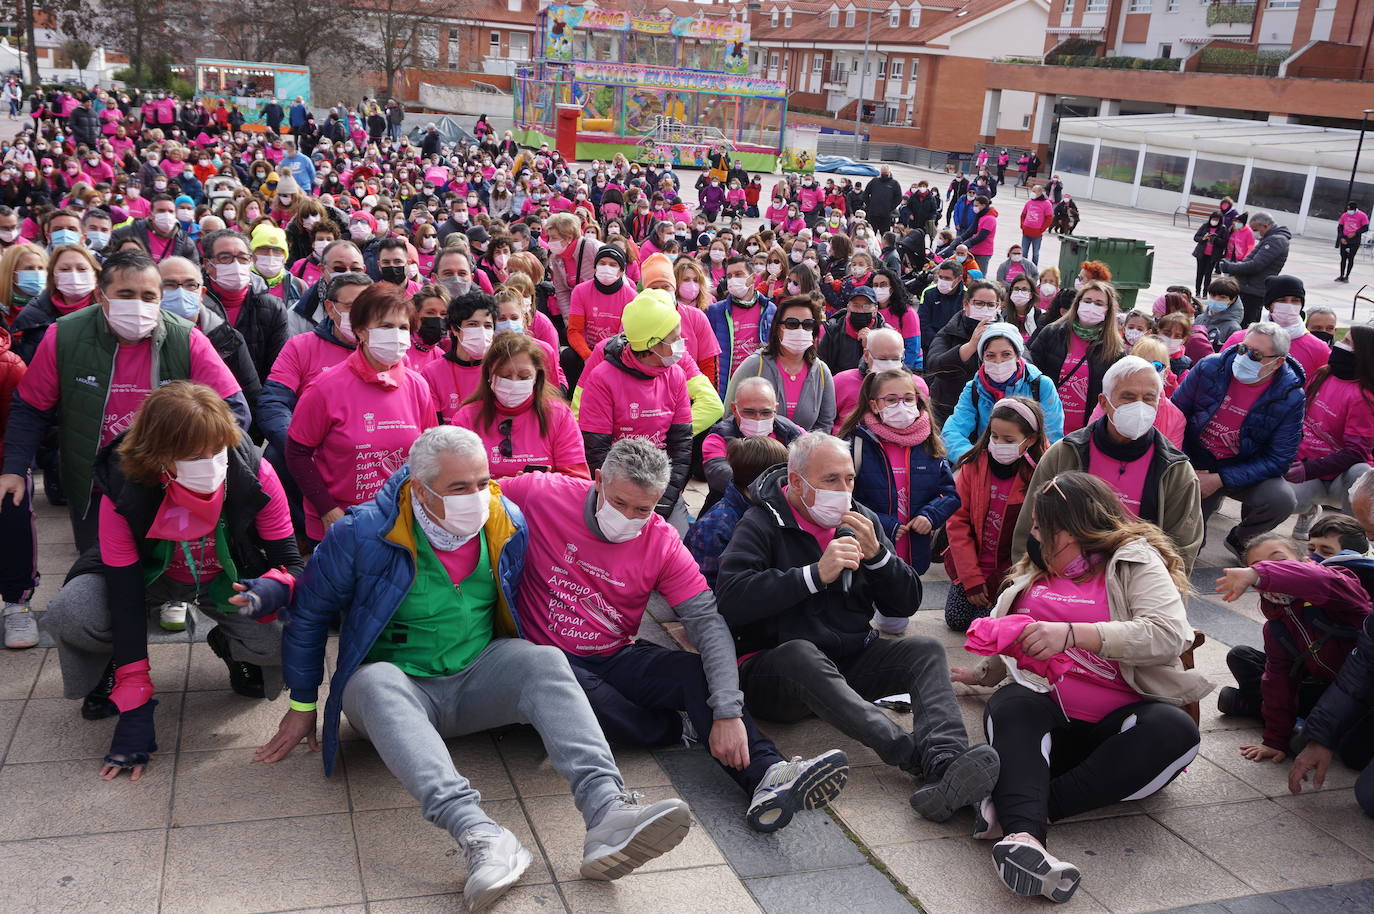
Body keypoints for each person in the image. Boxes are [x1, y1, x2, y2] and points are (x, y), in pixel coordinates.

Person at [260, 427, 692, 906]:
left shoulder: (505, 520)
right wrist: (302, 703)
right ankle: (481, 836)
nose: (477, 497)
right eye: (459, 487)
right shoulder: (361, 533)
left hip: (476, 677)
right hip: (399, 691)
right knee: (373, 682)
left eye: (483, 482)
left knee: (543, 661)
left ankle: (607, 811)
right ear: (420, 488)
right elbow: (311, 614)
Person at [499, 438, 850, 832]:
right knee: (584, 693)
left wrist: (728, 712)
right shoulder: (541, 492)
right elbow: (479, 493)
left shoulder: (661, 540)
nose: (629, 517)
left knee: (692, 673)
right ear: (598, 481)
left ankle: (768, 775)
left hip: (615, 652)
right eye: (619, 503)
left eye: (643, 509)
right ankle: (673, 727)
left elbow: (707, 622)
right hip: (545, 660)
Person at [717, 432, 1000, 822]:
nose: (844, 490)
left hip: (848, 659)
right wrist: (813, 575)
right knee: (801, 654)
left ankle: (946, 760)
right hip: (777, 672)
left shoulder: (861, 519)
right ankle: (914, 757)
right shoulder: (762, 521)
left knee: (926, 649)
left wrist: (880, 558)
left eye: (849, 479)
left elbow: (905, 604)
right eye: (831, 480)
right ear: (797, 482)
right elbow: (730, 598)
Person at [954, 472, 1210, 904]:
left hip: (1121, 731)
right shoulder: (1036, 568)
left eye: (1040, 525)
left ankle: (1015, 810)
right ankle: (1026, 838)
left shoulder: (1134, 560)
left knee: (1176, 731)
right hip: (1050, 722)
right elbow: (1015, 635)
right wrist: (983, 674)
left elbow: (1170, 634)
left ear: (1071, 530)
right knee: (1011, 703)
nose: (1032, 534)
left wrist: (1073, 633)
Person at [44, 382, 302, 779]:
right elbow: (124, 589)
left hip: (228, 582)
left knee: (286, 634)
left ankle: (232, 646)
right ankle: (111, 665)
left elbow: (292, 562)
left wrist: (276, 586)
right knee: (72, 613)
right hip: (149, 578)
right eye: (195, 456)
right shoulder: (124, 485)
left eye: (217, 450)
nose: (212, 463)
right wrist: (135, 693)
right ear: (159, 455)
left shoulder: (255, 471)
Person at [0, 250, 247, 553]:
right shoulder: (63, 336)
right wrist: (14, 468)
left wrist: (195, 459)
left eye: (148, 296)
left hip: (168, 482)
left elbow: (233, 411)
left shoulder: (187, 339)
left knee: (164, 573)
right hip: (94, 483)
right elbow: (30, 409)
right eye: (126, 294)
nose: (138, 305)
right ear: (101, 296)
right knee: (99, 570)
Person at [1014, 356, 1204, 572]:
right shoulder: (1064, 454)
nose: (1139, 406)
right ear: (1104, 402)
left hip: (1135, 592)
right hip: (1062, 588)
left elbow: (1182, 550)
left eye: (1149, 398)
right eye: (1128, 397)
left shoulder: (1176, 471)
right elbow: (1029, 530)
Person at [286, 283, 438, 543]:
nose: (397, 335)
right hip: (342, 523)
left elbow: (428, 451)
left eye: (403, 328)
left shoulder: (417, 386)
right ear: (361, 332)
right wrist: (326, 509)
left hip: (400, 521)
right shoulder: (325, 388)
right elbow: (297, 452)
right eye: (386, 326)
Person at [1214, 533, 1370, 764]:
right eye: (1256, 567)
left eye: (1279, 561)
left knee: (1354, 756)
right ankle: (1295, 724)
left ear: (1305, 562)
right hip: (1327, 688)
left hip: (1365, 690)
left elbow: (1318, 579)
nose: (1269, 570)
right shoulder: (1277, 623)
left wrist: (1260, 573)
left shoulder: (1337, 584)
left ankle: (1254, 707)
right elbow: (1280, 681)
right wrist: (1275, 741)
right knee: (1243, 658)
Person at [1172, 322, 1304, 557]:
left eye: (1256, 355)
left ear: (1278, 362)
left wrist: (1221, 479)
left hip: (1240, 469)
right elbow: (1174, 415)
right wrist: (1186, 465)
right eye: (1243, 349)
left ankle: (1242, 538)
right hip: (1196, 461)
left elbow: (1279, 458)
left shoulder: (1290, 395)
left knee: (1281, 499)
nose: (1244, 358)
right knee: (1184, 548)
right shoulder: (1211, 367)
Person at [577, 289, 693, 530]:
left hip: (661, 489)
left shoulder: (676, 376)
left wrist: (663, 500)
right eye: (674, 339)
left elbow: (681, 445)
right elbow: (596, 452)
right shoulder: (603, 379)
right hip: (618, 490)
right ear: (652, 344)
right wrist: (624, 501)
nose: (681, 344)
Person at [837, 368, 957, 579]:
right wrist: (884, 523)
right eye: (891, 400)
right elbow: (846, 498)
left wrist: (930, 515)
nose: (901, 405)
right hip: (868, 548)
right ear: (874, 405)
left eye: (908, 399)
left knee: (899, 608)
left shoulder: (929, 444)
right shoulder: (855, 444)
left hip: (914, 552)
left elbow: (949, 494)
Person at [943, 397, 1047, 632]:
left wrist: (1009, 579)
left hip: (1012, 571)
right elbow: (957, 523)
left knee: (992, 623)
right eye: (995, 437)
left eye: (1009, 440)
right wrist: (971, 578)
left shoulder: (1039, 472)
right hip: (973, 564)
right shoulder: (972, 465)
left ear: (1030, 440)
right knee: (957, 619)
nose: (999, 444)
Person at [452, 332, 587, 479]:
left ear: (537, 377)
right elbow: (455, 480)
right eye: (505, 376)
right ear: (490, 375)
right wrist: (499, 488)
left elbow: (577, 480)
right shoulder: (466, 418)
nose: (514, 382)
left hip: (540, 500)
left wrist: (537, 483)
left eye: (524, 377)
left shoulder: (559, 416)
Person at [1287, 323, 1374, 537]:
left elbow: (1357, 452)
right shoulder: (1323, 374)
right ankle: (1307, 511)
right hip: (1304, 467)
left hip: (1338, 478)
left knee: (1361, 472)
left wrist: (1310, 469)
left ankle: (1355, 539)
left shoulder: (1364, 397)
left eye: (1347, 342)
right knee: (1279, 500)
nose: (1339, 345)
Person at [942, 322, 1064, 464]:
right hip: (986, 463)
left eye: (1006, 354)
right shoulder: (974, 388)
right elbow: (952, 432)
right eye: (990, 356)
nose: (998, 361)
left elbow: (1052, 434)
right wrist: (974, 461)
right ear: (982, 359)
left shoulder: (1040, 385)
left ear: (1018, 356)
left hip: (1029, 465)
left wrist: (1035, 466)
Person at [689, 435, 789, 590]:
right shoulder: (715, 526)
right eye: (781, 479)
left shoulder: (772, 509)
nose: (785, 485)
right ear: (762, 481)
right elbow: (705, 585)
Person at [1027, 280, 1126, 434]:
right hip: (1046, 425)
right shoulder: (1052, 333)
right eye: (1087, 301)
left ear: (1108, 311)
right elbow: (1030, 368)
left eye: (1099, 303)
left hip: (1085, 431)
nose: (1091, 306)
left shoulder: (1114, 349)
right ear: (1078, 303)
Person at [724, 295, 835, 433]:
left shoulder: (821, 371)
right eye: (792, 324)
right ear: (778, 328)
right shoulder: (754, 365)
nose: (800, 330)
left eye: (807, 324)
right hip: (754, 450)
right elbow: (730, 416)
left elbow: (825, 424)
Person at [703, 376, 803, 510]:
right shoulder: (719, 436)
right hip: (730, 509)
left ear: (776, 409)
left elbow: (816, 455)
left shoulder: (790, 431)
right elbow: (718, 474)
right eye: (749, 412)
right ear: (734, 409)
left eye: (766, 412)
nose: (758, 418)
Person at [1222, 275, 1329, 381]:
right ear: (1269, 305)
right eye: (1282, 300)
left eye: (1295, 300)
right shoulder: (1240, 339)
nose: (1289, 305)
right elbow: (1217, 371)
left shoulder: (1318, 349)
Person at [927, 279, 1004, 425]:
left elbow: (1025, 362)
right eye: (979, 303)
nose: (985, 309)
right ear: (966, 304)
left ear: (998, 306)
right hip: (949, 410)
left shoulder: (1007, 333)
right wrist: (970, 346)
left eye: (990, 305)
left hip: (993, 412)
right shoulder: (950, 331)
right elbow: (934, 364)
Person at [707, 255, 776, 396]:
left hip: (760, 386)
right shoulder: (715, 311)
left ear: (752, 277)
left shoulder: (770, 310)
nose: (733, 280)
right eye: (729, 276)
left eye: (738, 274)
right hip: (727, 387)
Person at [1216, 212, 1290, 327]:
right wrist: (1233, 266)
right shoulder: (1269, 238)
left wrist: (1230, 267)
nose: (1254, 233)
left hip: (1253, 291)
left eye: (1255, 229)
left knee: (1245, 326)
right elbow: (1249, 260)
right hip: (1248, 288)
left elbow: (1256, 265)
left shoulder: (1276, 240)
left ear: (1265, 226)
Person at [110, 194, 199, 263]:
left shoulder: (185, 242)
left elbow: (194, 270)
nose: (166, 214)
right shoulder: (130, 232)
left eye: (170, 211)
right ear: (151, 214)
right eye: (161, 211)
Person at [818, 285, 886, 376]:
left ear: (875, 309)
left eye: (866, 306)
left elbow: (891, 370)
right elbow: (822, 367)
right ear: (848, 308)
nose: (861, 311)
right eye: (856, 306)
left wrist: (871, 345)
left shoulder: (886, 333)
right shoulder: (833, 331)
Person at [1191, 212, 1230, 297]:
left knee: (1208, 274)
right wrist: (1203, 238)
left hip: (1213, 255)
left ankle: (1205, 292)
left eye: (1216, 220)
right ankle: (1197, 291)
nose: (1214, 221)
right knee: (1199, 273)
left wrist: (1215, 239)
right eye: (1213, 219)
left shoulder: (1223, 229)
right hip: (1201, 253)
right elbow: (1196, 237)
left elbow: (1224, 243)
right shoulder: (1205, 226)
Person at [1019, 185, 1054, 264]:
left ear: (1040, 192)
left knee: (1035, 254)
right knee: (1023, 253)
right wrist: (1022, 226)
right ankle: (1023, 269)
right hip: (1026, 231)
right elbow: (1023, 215)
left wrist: (1042, 229)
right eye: (1032, 191)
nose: (1032, 193)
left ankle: (1034, 270)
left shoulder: (1046, 203)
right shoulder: (1029, 202)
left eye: (1034, 191)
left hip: (1037, 233)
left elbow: (1049, 218)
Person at [1337, 202, 1368, 283]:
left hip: (1354, 240)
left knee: (1350, 258)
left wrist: (1355, 233)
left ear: (1354, 209)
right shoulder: (1344, 215)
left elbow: (1365, 227)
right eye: (1347, 209)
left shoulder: (1362, 215)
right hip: (1345, 239)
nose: (1348, 211)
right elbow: (1340, 227)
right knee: (1343, 258)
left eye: (1350, 209)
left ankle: (1347, 276)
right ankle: (1341, 275)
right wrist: (1341, 237)